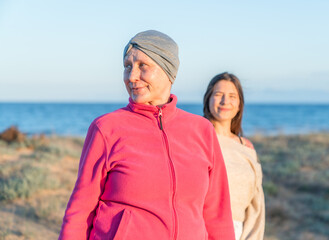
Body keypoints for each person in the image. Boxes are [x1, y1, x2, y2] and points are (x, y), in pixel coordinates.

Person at [59, 30, 235, 240]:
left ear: (168, 70)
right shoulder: (106, 128)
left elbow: (218, 217)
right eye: (127, 66)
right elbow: (80, 213)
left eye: (143, 66)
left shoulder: (202, 130)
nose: (132, 77)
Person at [203, 72, 265, 240]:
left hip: (241, 231)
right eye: (218, 95)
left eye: (232, 96)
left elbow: (256, 202)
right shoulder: (198, 139)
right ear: (208, 99)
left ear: (239, 104)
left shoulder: (246, 146)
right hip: (204, 229)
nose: (225, 102)